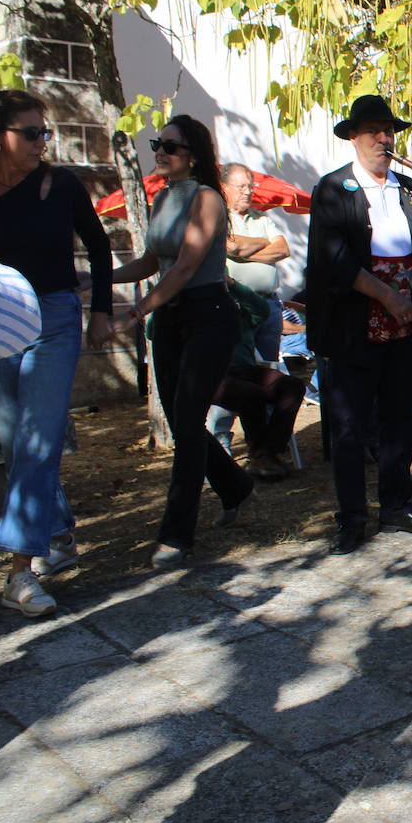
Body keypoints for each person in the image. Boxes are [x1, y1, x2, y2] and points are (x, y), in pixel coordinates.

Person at [0, 89, 113, 615]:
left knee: (39, 438)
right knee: (17, 441)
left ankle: (19, 573)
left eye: (46, 132)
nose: (44, 141)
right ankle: (58, 534)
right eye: (32, 132)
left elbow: (100, 246)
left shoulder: (60, 185)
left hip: (55, 320)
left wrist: (103, 312)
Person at [304, 94, 412, 555]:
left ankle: (396, 504)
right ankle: (351, 517)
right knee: (348, 427)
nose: (383, 138)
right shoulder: (332, 189)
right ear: (353, 137)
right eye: (372, 130)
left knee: (401, 421)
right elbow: (334, 261)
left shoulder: (409, 189)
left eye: (388, 130)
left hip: (406, 326)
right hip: (356, 325)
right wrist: (387, 296)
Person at [111, 115, 253, 568]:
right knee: (180, 419)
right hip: (173, 317)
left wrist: (141, 307)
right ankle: (235, 485)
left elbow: (188, 264)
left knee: (189, 422)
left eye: (169, 146)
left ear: (191, 152)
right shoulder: (162, 198)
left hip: (208, 313)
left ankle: (176, 535)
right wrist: (98, 280)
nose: (160, 151)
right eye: (157, 143)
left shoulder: (207, 198)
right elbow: (153, 260)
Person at [212, 279, 307, 481]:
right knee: (250, 393)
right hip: (211, 375)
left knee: (293, 386)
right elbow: (154, 330)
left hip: (246, 370)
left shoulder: (240, 314)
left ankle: (268, 451)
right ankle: (261, 454)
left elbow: (261, 308)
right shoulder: (193, 313)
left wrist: (232, 284)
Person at [222, 163, 289, 360]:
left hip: (270, 304)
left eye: (250, 186)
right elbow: (232, 246)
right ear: (224, 187)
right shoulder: (220, 218)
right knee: (243, 364)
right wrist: (264, 242)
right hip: (239, 305)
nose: (248, 192)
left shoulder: (261, 218)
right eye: (241, 187)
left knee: (269, 365)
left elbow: (283, 249)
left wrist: (243, 253)